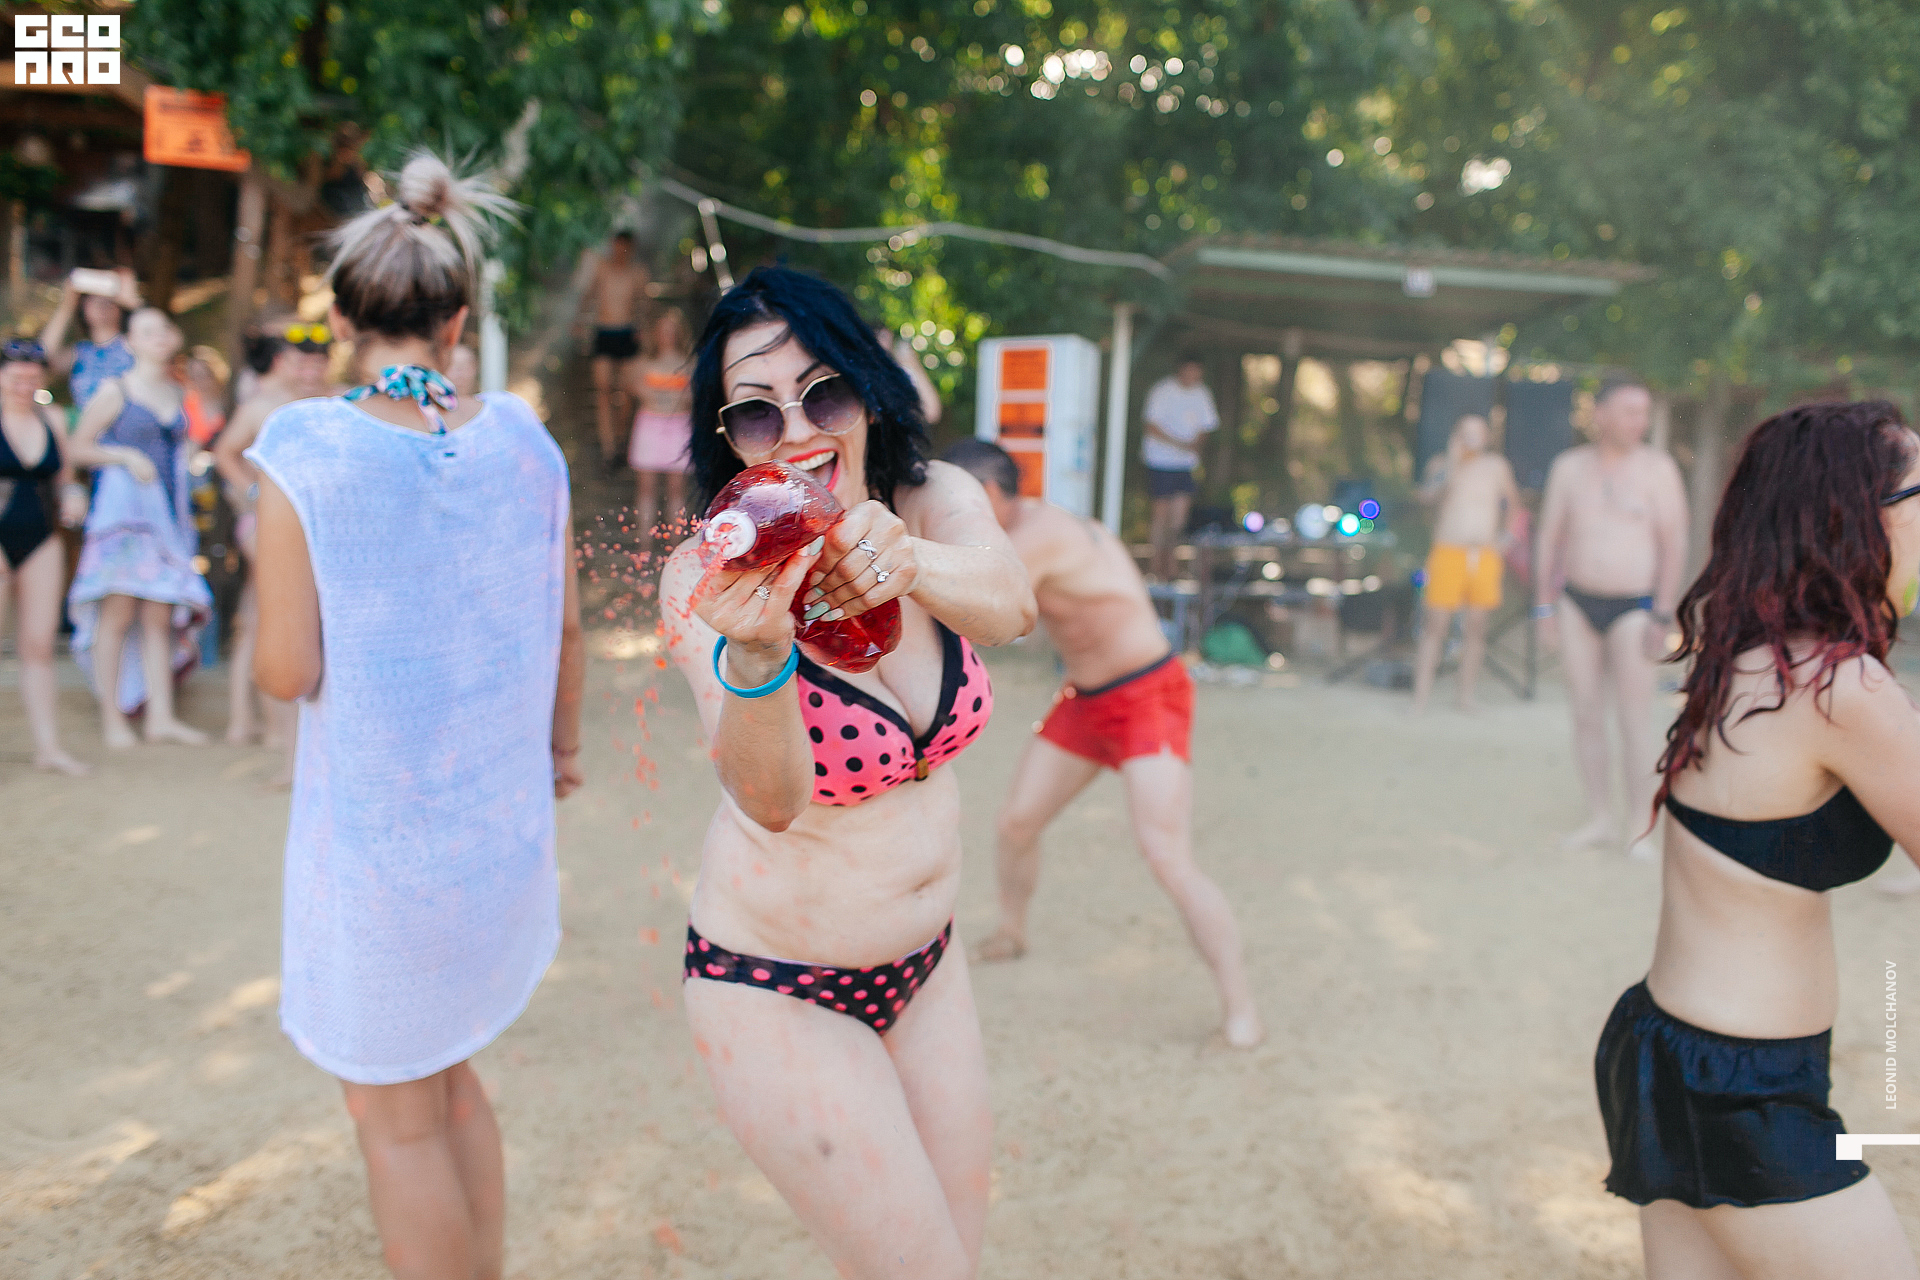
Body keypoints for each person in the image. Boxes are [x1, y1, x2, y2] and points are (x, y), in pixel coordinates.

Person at [659, 266, 1035, 1279]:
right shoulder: (707, 575)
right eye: (755, 411)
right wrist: (756, 657)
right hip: (778, 986)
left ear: (867, 388)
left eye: (822, 392)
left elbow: (1010, 602)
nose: (796, 430)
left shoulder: (933, 496)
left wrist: (908, 561)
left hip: (930, 966)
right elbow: (771, 801)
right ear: (727, 435)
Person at [248, 151, 584, 1280]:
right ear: (459, 321)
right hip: (495, 830)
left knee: (394, 1116)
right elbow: (565, 629)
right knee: (450, 1079)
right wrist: (562, 751)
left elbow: (285, 670)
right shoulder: (525, 440)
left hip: (381, 849)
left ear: (343, 318)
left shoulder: (304, 448)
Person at [1595, 400, 1920, 1280]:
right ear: (1863, 515)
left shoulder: (1750, 657)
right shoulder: (1839, 687)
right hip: (1742, 1090)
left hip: (1667, 1046)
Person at [948, 439, 1262, 1048]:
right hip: (1086, 699)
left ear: (985, 494)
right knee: (1017, 823)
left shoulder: (1039, 534)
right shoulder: (1020, 530)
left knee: (1167, 856)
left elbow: (979, 606)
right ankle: (1011, 931)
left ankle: (1240, 1005)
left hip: (1147, 694)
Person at [1534, 374, 1688, 855]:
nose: (1638, 421)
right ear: (1599, 414)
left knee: (1634, 719)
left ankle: (1640, 826)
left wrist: (1663, 613)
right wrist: (1543, 605)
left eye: (1643, 412)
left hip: (1635, 606)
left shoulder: (1658, 469)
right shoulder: (1569, 467)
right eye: (1629, 411)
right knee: (1585, 713)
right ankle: (1599, 817)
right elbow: (1548, 537)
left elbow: (1674, 543)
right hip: (1576, 601)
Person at [64, 307, 213, 748]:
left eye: (163, 328)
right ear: (130, 342)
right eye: (147, 331)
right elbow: (78, 448)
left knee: (159, 616)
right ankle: (112, 718)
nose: (158, 337)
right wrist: (125, 456)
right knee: (118, 614)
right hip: (127, 522)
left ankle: (160, 717)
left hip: (169, 520)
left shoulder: (178, 391)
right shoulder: (116, 390)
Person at [212, 318, 332, 766]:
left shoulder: (336, 401)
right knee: (274, 616)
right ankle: (271, 731)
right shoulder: (263, 405)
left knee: (259, 616)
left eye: (318, 360)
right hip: (266, 524)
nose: (310, 369)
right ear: (285, 362)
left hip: (317, 526)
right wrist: (254, 494)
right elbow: (224, 452)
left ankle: (263, 726)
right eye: (302, 360)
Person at [0, 338, 90, 774]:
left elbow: (66, 476)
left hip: (41, 535)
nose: (24, 385)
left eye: (32, 378)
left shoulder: (51, 417)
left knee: (39, 645)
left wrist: (74, 496)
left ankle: (49, 748)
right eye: (16, 377)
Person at [1411, 414, 1522, 714]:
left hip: (1483, 554)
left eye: (1478, 432)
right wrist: (1453, 463)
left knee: (1476, 628)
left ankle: (1465, 698)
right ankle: (1420, 699)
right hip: (1448, 552)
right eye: (1467, 432)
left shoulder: (1496, 466)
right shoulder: (1441, 465)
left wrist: (1506, 540)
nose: (1473, 438)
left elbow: (1513, 504)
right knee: (1435, 625)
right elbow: (1427, 498)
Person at [575, 229, 649, 471]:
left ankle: (620, 439)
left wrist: (644, 331)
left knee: (626, 393)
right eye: (616, 246)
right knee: (603, 390)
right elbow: (589, 295)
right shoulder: (602, 269)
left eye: (624, 247)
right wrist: (579, 320)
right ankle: (609, 450)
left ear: (631, 249)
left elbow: (644, 304)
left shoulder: (638, 273)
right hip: (604, 332)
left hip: (627, 333)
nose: (619, 251)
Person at [1140, 355, 1218, 582]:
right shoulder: (1162, 391)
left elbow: (1207, 426)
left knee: (1178, 519)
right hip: (1160, 462)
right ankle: (1155, 565)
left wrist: (1195, 445)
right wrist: (1180, 444)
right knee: (1160, 516)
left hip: (1185, 465)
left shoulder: (1202, 393)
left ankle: (1172, 566)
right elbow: (1151, 425)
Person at [625, 307, 693, 535]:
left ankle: (676, 543)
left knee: (677, 489)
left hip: (679, 426)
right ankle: (643, 544)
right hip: (650, 425)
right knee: (646, 489)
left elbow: (692, 395)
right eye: (663, 331)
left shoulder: (690, 362)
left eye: (672, 331)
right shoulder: (643, 361)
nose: (667, 336)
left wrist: (666, 395)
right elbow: (634, 387)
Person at [40, 267, 138, 409]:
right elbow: (43, 355)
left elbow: (156, 338)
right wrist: (67, 305)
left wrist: (132, 303)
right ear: (83, 307)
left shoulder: (134, 343)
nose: (102, 305)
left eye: (109, 300)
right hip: (88, 422)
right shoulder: (81, 351)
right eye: (93, 299)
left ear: (119, 307)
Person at [874, 322, 944, 425]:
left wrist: (913, 364)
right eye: (880, 336)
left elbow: (932, 412)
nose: (885, 341)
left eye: (886, 336)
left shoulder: (903, 370)